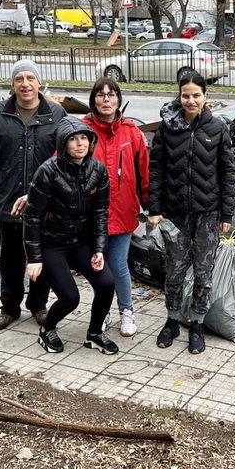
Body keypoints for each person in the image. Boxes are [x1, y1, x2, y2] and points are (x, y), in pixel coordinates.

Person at [0, 60, 66, 332]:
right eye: (19, 79)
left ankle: (38, 305)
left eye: (30, 78)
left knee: (41, 257)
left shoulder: (56, 113)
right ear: (13, 84)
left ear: (40, 83)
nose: (25, 84)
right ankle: (9, 308)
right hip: (7, 200)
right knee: (11, 259)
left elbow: (66, 158)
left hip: (43, 204)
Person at [147, 73, 235, 355]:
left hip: (207, 216)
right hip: (175, 215)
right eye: (186, 95)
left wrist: (227, 215)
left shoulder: (218, 128)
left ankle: (197, 324)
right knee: (173, 272)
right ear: (179, 96)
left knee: (203, 274)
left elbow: (227, 173)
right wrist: (155, 209)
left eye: (196, 95)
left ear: (205, 97)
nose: (191, 100)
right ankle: (172, 320)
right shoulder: (167, 128)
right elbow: (156, 169)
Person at [22, 116, 119, 355]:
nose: (80, 144)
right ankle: (48, 329)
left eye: (84, 138)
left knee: (106, 284)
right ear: (63, 144)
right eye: (73, 139)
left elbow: (100, 213)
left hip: (81, 242)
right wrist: (34, 258)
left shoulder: (97, 169)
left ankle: (94, 333)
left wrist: (98, 249)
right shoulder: (47, 171)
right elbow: (32, 217)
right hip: (51, 243)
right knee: (70, 297)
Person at [83, 77, 150, 337]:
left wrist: (151, 207)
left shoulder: (132, 132)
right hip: (92, 215)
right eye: (101, 95)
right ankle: (102, 312)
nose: (106, 99)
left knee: (119, 265)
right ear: (94, 100)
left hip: (123, 212)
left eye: (111, 94)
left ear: (119, 100)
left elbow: (145, 174)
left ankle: (127, 310)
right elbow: (62, 166)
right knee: (99, 266)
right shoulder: (83, 131)